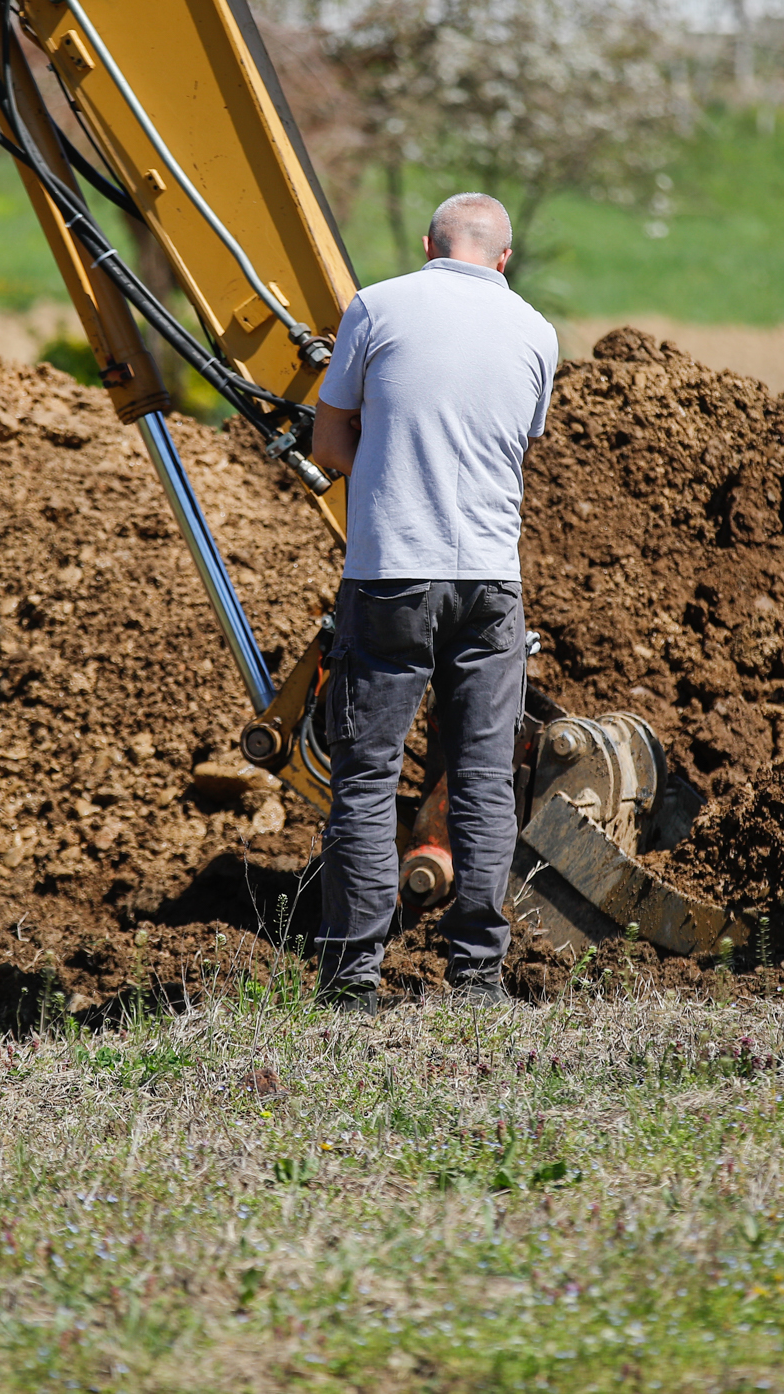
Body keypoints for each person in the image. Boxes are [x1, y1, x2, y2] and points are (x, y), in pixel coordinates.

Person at [307, 191, 559, 1010]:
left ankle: (352, 980)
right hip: (492, 582)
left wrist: (382, 483)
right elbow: (519, 445)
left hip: (388, 576)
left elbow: (329, 435)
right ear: (503, 259)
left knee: (367, 774)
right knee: (484, 778)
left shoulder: (376, 306)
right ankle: (478, 976)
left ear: (427, 245)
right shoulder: (535, 331)